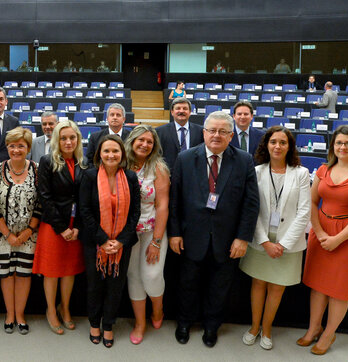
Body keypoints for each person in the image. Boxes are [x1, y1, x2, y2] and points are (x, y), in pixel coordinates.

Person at [168, 111, 259, 348]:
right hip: (190, 236)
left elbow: (251, 204)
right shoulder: (185, 158)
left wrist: (242, 238)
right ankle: (185, 322)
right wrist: (175, 232)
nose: (216, 136)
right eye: (212, 130)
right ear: (203, 133)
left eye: (223, 131)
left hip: (228, 239)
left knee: (219, 287)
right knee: (187, 283)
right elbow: (174, 199)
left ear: (231, 135)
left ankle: (211, 326)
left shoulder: (244, 160)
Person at [298, 125, 348, 355]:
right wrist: (321, 233)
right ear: (333, 145)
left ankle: (328, 333)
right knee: (317, 286)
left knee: (339, 290)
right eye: (339, 142)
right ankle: (313, 328)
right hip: (321, 231)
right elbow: (312, 203)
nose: (343, 147)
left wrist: (337, 239)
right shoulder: (323, 170)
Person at [239, 126, 310, 350]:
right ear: (266, 145)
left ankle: (267, 329)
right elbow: (251, 209)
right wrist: (265, 242)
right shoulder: (256, 171)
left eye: (282, 142)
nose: (277, 146)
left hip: (288, 242)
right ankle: (253, 327)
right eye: (273, 142)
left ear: (289, 147)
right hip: (260, 238)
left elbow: (304, 212)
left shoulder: (301, 173)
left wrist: (282, 244)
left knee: (277, 288)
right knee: (258, 284)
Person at [79, 134, 141, 348]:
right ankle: (94, 324)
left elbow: (135, 213)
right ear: (99, 154)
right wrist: (103, 239)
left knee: (116, 286)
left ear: (122, 154)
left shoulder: (131, 178)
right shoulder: (89, 176)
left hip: (122, 244)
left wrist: (121, 241)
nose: (111, 154)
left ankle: (109, 325)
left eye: (115, 151)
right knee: (95, 285)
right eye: (106, 151)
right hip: (95, 242)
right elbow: (84, 211)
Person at [33, 120, 86, 336]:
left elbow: (85, 198)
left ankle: (65, 308)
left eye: (72, 137)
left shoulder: (83, 162)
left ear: (78, 139)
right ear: (56, 140)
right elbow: (44, 197)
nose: (68, 141)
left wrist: (78, 227)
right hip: (54, 226)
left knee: (69, 270)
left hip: (76, 227)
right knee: (52, 271)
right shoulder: (47, 161)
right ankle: (50, 310)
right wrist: (62, 227)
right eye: (63, 138)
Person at [0, 127, 41, 335]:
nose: (16, 150)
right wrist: (8, 234)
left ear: (28, 147)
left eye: (21, 145)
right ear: (7, 147)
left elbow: (41, 204)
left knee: (23, 275)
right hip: (2, 237)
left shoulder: (37, 170)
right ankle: (9, 314)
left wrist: (28, 231)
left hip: (29, 236)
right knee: (7, 275)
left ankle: (20, 315)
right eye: (12, 145)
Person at [124, 125, 170, 345]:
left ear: (154, 146)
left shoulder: (158, 168)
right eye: (140, 140)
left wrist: (157, 241)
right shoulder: (122, 165)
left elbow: (162, 206)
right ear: (132, 142)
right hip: (128, 233)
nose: (144, 144)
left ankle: (158, 310)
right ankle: (140, 323)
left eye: (149, 142)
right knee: (133, 277)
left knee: (151, 276)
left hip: (153, 231)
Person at [156, 97, 204, 170]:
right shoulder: (160, 131)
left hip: (193, 173)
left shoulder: (200, 131)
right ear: (172, 112)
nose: (181, 111)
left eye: (185, 108)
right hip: (169, 174)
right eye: (178, 108)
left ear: (190, 112)